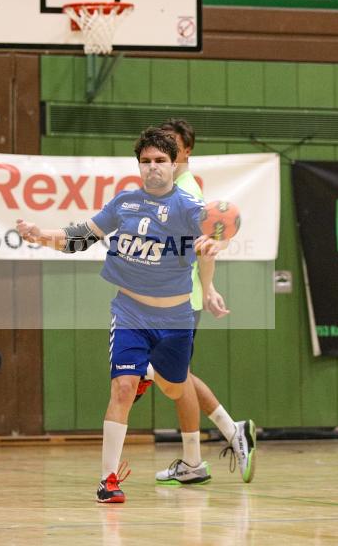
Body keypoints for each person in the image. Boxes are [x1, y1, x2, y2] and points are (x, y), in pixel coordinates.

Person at [16, 128, 223, 503]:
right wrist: (39, 234)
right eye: (145, 161)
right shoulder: (124, 203)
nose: (152, 167)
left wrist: (210, 266)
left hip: (175, 318)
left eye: (160, 160)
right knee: (122, 388)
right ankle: (107, 480)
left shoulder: (188, 206)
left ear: (173, 164)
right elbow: (81, 236)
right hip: (130, 312)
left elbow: (212, 238)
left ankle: (150, 372)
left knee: (175, 388)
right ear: (138, 166)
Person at [139, 119, 258, 485]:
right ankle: (229, 432)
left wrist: (207, 287)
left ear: (186, 151)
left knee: (166, 375)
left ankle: (196, 459)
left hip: (177, 302)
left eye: (171, 146)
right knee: (177, 377)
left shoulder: (186, 192)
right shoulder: (167, 188)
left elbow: (212, 239)